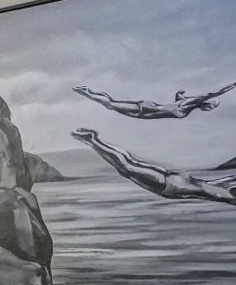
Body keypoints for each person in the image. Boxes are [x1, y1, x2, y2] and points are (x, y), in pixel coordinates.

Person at [71, 128, 236, 205]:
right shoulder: (230, 195)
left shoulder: (228, 183)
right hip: (172, 187)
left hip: (181, 180)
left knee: (129, 165)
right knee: (126, 168)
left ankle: (92, 140)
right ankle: (92, 140)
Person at [72, 82, 236, 119]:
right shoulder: (191, 103)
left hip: (146, 110)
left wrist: (179, 95)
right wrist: (233, 85)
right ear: (206, 103)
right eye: (211, 106)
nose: (209, 108)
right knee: (110, 105)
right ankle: (86, 92)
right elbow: (215, 92)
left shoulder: (187, 105)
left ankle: (90, 92)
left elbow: (177, 101)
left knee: (111, 105)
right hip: (146, 110)